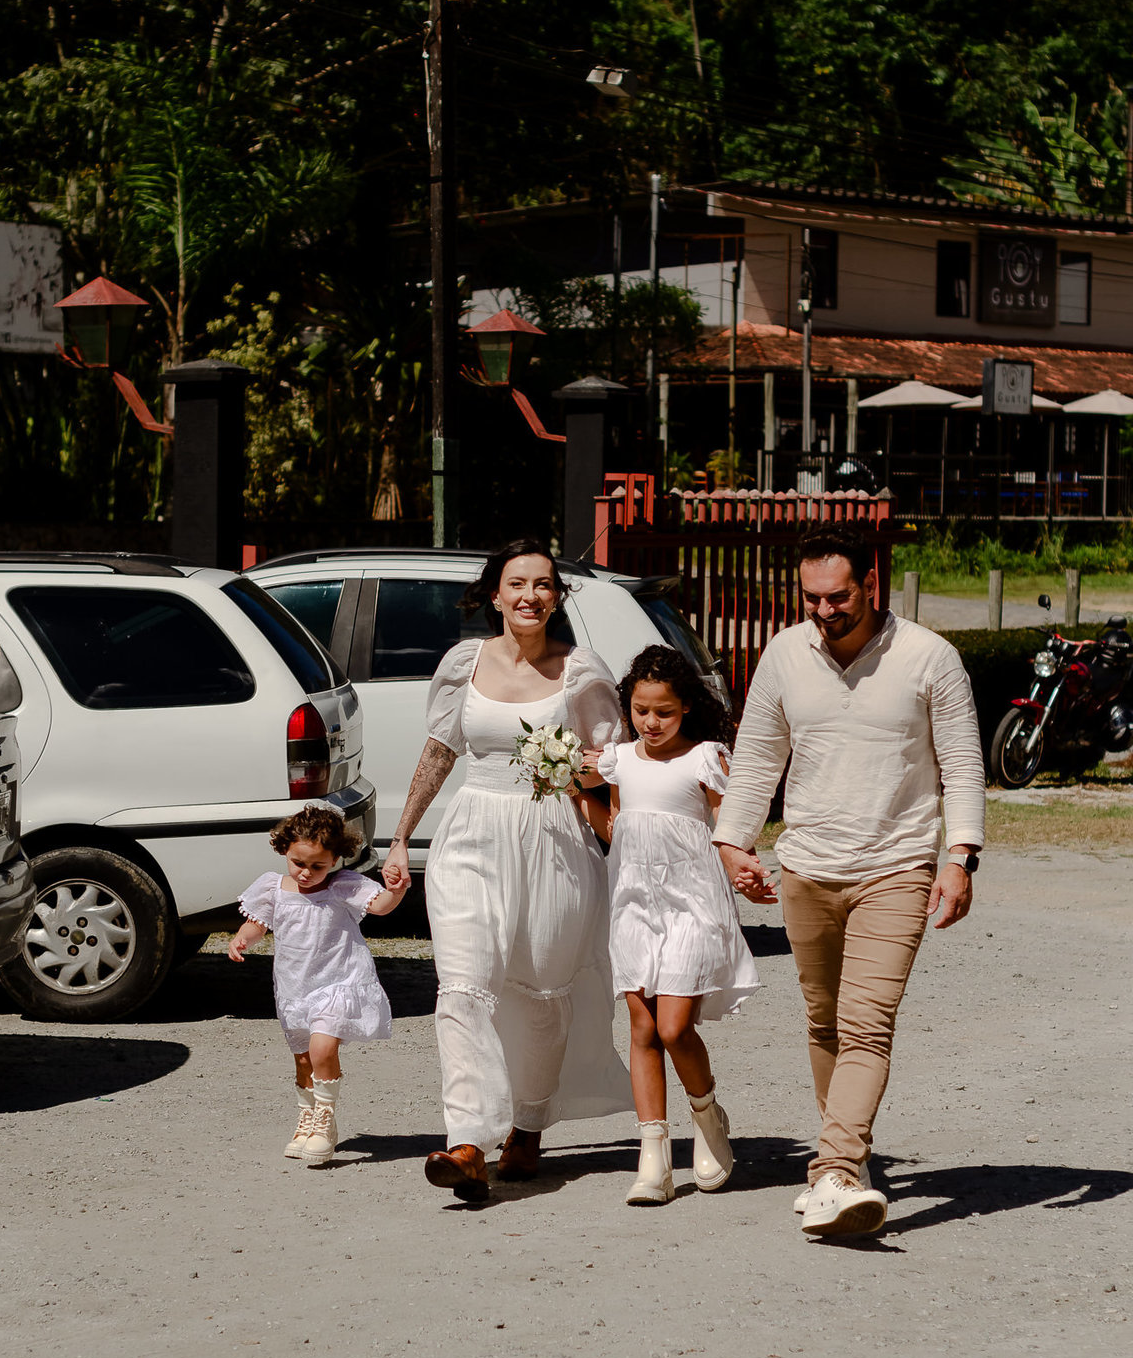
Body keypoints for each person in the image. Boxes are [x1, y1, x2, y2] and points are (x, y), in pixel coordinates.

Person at [714, 523, 985, 1237]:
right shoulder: (784, 654)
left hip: (895, 866)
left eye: (839, 596)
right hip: (807, 865)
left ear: (871, 583)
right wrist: (732, 843)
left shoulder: (930, 657)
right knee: (826, 1019)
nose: (826, 610)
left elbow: (961, 762)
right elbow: (757, 755)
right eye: (813, 598)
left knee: (867, 1024)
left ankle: (832, 1170)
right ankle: (851, 1162)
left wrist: (959, 856)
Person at [381, 539, 630, 1205]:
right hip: (472, 837)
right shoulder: (464, 663)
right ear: (494, 593)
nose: (530, 595)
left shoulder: (583, 672)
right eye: (516, 583)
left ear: (556, 595)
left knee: (540, 988)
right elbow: (439, 750)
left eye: (543, 584)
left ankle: (528, 1123)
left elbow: (612, 769)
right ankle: (467, 1140)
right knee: (464, 986)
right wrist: (402, 836)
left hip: (554, 840)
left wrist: (574, 768)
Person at [594, 646, 759, 1206]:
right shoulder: (619, 761)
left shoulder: (705, 759)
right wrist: (571, 793)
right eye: (641, 710)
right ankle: (654, 1158)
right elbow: (618, 829)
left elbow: (730, 828)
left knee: (672, 1028)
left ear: (686, 706)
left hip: (691, 903)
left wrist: (748, 871)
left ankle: (708, 1117)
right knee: (641, 1028)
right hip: (634, 902)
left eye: (663, 711)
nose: (651, 722)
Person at [230, 803, 409, 1167]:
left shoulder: (343, 888)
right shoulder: (273, 889)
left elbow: (381, 906)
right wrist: (242, 938)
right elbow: (257, 923)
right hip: (295, 986)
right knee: (302, 1059)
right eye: (299, 863)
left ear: (336, 860)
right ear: (285, 850)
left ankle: (325, 1122)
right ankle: (307, 1117)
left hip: (339, 981)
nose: (307, 873)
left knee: (323, 1048)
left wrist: (397, 889)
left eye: (318, 866)